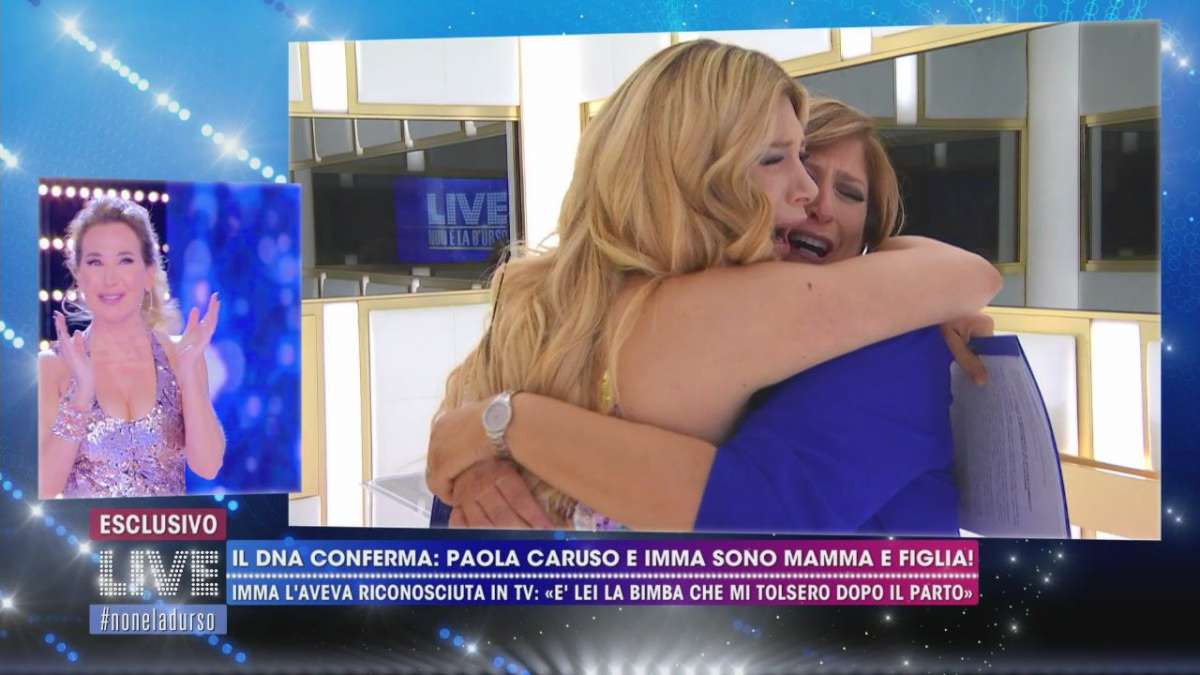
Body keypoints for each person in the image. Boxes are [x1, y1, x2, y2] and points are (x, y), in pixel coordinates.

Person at [426, 42, 1000, 529]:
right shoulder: (708, 309)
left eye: (849, 193)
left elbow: (449, 474)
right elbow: (973, 274)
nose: (810, 197)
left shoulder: (540, 298)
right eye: (779, 159)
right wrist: (507, 428)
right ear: (693, 172)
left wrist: (498, 430)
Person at [38, 195, 226, 498]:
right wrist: (81, 396)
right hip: (87, 530)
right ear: (78, 275)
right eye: (95, 262)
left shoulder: (181, 355)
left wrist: (189, 375)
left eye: (125, 260)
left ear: (149, 273)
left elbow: (208, 466)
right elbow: (45, 487)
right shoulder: (54, 366)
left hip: (166, 529)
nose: (110, 278)